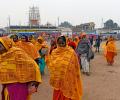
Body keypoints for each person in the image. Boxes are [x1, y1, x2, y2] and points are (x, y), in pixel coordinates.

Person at [46, 36, 83, 100]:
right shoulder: (54, 52)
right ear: (57, 43)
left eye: (62, 43)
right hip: (58, 80)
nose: (61, 45)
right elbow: (51, 65)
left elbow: (75, 66)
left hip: (68, 79)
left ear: (65, 43)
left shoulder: (71, 52)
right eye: (59, 43)